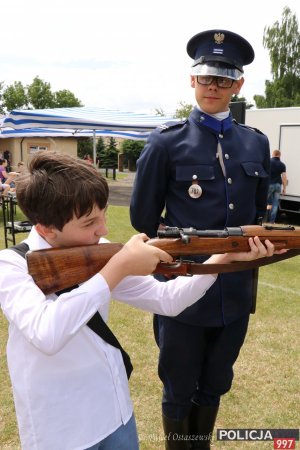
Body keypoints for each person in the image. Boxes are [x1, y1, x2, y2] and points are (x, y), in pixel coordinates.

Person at [0, 151, 275, 450]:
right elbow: (46, 333)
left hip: (114, 412)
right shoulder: (11, 266)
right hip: (60, 430)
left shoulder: (99, 250)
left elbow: (167, 300)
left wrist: (223, 256)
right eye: (90, 221)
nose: (103, 229)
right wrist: (118, 267)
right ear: (45, 228)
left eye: (103, 213)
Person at [130, 29, 272, 449]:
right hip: (183, 289)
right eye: (207, 77)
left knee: (215, 383)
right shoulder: (166, 142)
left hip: (234, 290)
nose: (214, 87)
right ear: (192, 80)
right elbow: (142, 218)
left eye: (224, 79)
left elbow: (260, 212)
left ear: (238, 85)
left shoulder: (255, 144)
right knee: (178, 385)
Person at [266, 150, 287, 223]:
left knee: (266, 202)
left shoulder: (268, 162)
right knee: (275, 204)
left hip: (269, 184)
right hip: (278, 185)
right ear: (279, 155)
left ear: (273, 154)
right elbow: (284, 177)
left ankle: (263, 219)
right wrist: (284, 188)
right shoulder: (282, 165)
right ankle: (271, 221)